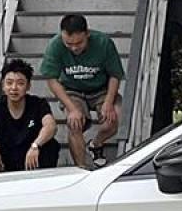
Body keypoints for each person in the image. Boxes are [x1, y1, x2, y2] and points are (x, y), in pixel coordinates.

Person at [39, 14, 125, 168]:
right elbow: (52, 80)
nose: (74, 48)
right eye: (69, 43)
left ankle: (96, 144)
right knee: (74, 124)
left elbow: (115, 75)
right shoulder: (55, 45)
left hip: (102, 89)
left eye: (79, 43)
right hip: (72, 90)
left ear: (87, 34)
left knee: (115, 119)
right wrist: (71, 109)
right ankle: (81, 168)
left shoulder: (104, 43)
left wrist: (109, 102)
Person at [0, 59, 60, 173]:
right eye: (9, 82)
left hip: (29, 156)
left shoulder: (38, 104)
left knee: (51, 145)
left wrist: (36, 145)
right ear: (3, 85)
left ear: (28, 86)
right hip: (4, 157)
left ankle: (42, 184)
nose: (14, 88)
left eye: (20, 83)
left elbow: (50, 126)